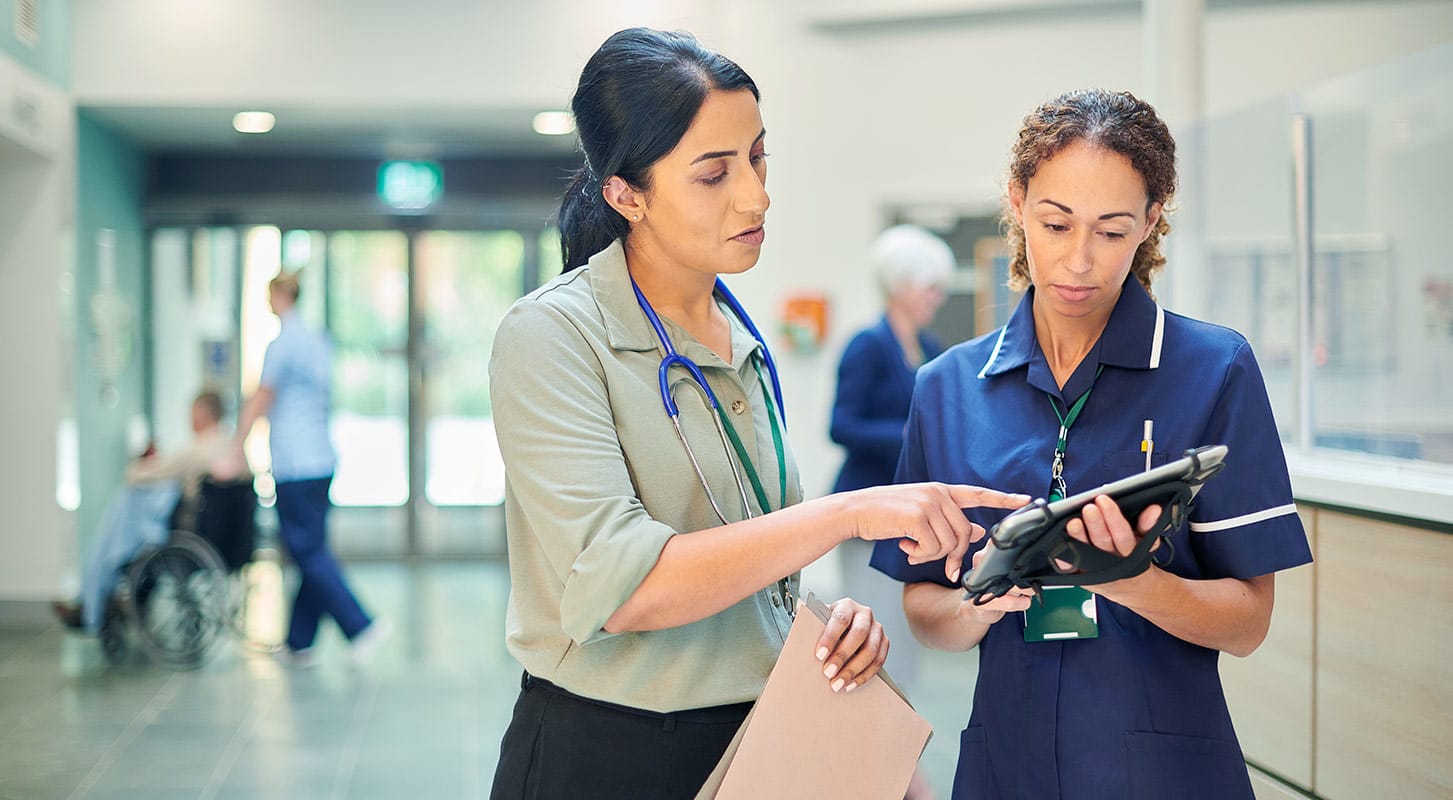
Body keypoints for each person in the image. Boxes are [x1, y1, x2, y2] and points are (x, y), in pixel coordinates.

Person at [486, 28, 1027, 800]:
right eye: (713, 174)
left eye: (758, 156)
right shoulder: (552, 335)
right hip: (606, 752)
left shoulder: (737, 335)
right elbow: (628, 586)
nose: (756, 195)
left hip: (756, 739)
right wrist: (849, 513)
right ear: (624, 193)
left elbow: (747, 557)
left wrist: (821, 621)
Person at [870, 88, 1314, 800]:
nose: (1077, 260)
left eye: (1110, 231)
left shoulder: (1213, 369)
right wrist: (974, 607)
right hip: (1004, 763)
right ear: (1016, 203)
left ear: (1150, 220)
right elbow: (925, 608)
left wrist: (1130, 580)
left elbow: (1247, 622)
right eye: (1055, 223)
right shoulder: (946, 387)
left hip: (1162, 768)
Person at [829, 224, 955, 800]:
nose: (937, 297)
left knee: (903, 656)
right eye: (929, 286)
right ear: (902, 285)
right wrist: (910, 433)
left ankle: (891, 773)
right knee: (873, 655)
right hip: (865, 520)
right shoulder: (867, 346)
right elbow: (843, 425)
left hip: (911, 528)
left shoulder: (929, 351)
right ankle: (902, 781)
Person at [236, 271, 388, 666]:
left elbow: (260, 399)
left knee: (307, 551)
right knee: (310, 551)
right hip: (321, 460)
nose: (267, 303)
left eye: (269, 295)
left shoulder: (281, 344)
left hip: (295, 464)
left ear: (281, 295)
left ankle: (360, 624)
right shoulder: (317, 340)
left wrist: (236, 446)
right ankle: (299, 643)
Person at [53, 390, 239, 633]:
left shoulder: (201, 448)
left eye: (192, 414)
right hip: (216, 536)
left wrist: (141, 464)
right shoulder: (229, 445)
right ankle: (96, 598)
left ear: (204, 414)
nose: (189, 420)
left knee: (124, 506)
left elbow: (138, 474)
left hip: (188, 531)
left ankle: (93, 602)